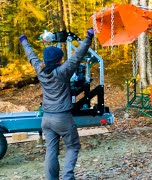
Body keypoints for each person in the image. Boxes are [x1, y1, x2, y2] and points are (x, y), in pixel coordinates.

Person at [19, 28, 94, 180]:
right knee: (73, 147)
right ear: (59, 60)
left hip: (46, 119)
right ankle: (67, 177)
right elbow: (78, 56)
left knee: (51, 150)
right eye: (61, 58)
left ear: (46, 60)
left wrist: (24, 41)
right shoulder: (62, 71)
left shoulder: (40, 70)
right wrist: (89, 37)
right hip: (62, 118)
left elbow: (31, 56)